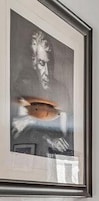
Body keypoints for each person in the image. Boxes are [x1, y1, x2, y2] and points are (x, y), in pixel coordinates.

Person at [10, 30, 73, 158]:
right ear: (34, 62)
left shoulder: (61, 90)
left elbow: (68, 133)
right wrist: (48, 139)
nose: (47, 72)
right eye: (42, 64)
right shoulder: (22, 88)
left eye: (50, 64)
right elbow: (16, 130)